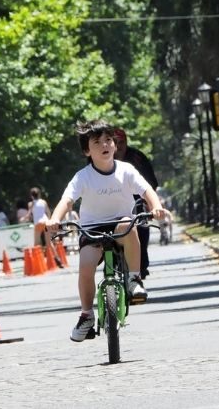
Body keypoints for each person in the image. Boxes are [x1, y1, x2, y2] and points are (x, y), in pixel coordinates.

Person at [45, 119, 168, 342]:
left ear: (114, 144)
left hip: (121, 223)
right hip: (92, 229)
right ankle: (86, 315)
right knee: (86, 265)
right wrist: (55, 219)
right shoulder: (82, 177)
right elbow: (67, 200)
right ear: (87, 151)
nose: (105, 145)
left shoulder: (126, 170)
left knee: (128, 225)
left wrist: (156, 206)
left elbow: (146, 190)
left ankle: (134, 280)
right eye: (97, 142)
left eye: (109, 140)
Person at [113, 128, 159, 279]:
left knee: (142, 226)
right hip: (111, 203)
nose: (118, 147)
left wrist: (150, 203)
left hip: (136, 201)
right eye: (115, 142)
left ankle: (140, 265)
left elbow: (150, 183)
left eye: (121, 142)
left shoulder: (137, 157)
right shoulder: (102, 158)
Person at [24, 187, 63, 268]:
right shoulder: (43, 202)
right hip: (45, 222)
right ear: (39, 194)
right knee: (49, 243)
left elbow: (29, 214)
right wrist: (49, 221)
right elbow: (48, 212)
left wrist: (24, 218)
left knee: (37, 244)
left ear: (31, 196)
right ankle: (57, 259)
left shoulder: (31, 204)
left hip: (38, 223)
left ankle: (38, 262)